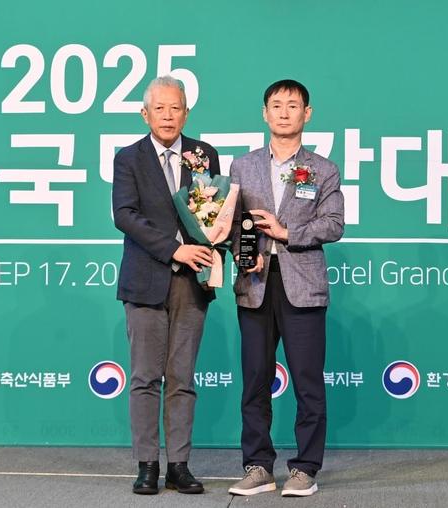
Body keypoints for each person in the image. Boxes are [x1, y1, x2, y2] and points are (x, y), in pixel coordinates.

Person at [228, 79, 344, 497]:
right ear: (264, 113)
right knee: (255, 380)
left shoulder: (323, 169)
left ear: (306, 114)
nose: (283, 111)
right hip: (256, 282)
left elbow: (334, 224)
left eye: (292, 105)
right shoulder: (242, 167)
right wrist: (245, 255)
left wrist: (286, 232)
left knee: (307, 382)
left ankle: (305, 468)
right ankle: (258, 465)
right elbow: (230, 225)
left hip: (303, 285)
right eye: (276, 105)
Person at [112, 76, 220, 495]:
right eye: (160, 108)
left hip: (192, 282)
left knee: (182, 377)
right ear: (145, 114)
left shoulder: (203, 154)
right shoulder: (128, 158)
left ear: (187, 113)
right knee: (144, 377)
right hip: (145, 279)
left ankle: (179, 464)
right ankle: (147, 465)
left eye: (176, 108)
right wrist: (176, 250)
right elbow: (125, 215)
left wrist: (217, 249)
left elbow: (215, 213)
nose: (168, 116)